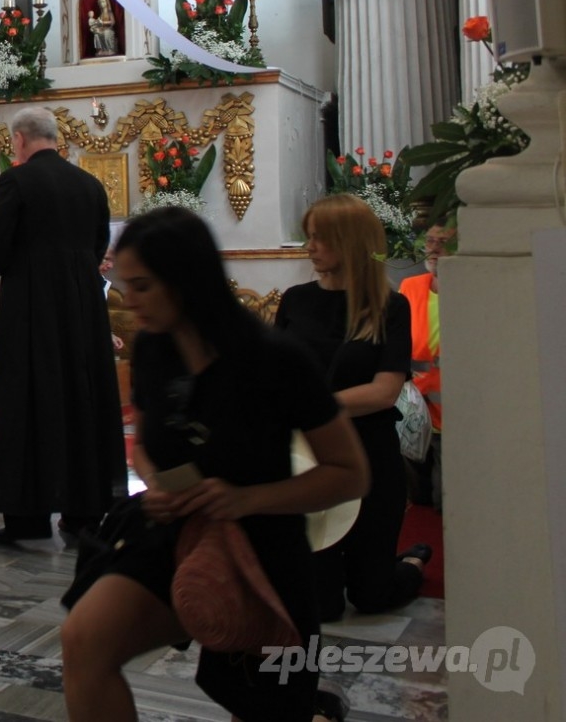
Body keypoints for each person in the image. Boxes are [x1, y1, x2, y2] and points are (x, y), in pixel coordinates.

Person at [61, 207, 368, 722]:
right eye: (125, 285)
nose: (127, 300)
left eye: (142, 286)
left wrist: (247, 498)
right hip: (174, 531)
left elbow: (349, 473)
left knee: (262, 704)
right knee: (85, 641)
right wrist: (157, 482)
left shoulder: (275, 359)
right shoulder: (154, 348)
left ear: (186, 280)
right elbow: (146, 444)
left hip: (262, 547)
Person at [275, 195, 430, 621]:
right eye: (308, 237)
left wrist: (311, 406)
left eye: (320, 238)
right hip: (309, 456)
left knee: (371, 595)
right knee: (322, 606)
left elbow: (383, 392)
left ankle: (412, 562)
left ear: (351, 242)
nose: (310, 247)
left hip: (368, 453)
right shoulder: (295, 300)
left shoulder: (389, 307)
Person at [0, 106, 125, 543]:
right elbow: (98, 245)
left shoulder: (16, 181)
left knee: (27, 400)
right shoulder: (90, 184)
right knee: (81, 400)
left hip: (31, 307)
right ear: (56, 139)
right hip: (82, 309)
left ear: (19, 140)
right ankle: (83, 516)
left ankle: (27, 519)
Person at [400, 224, 452, 510]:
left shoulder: (472, 288)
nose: (433, 248)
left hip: (453, 408)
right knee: (416, 496)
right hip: (414, 406)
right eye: (430, 241)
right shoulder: (411, 287)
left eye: (442, 242)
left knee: (444, 500)